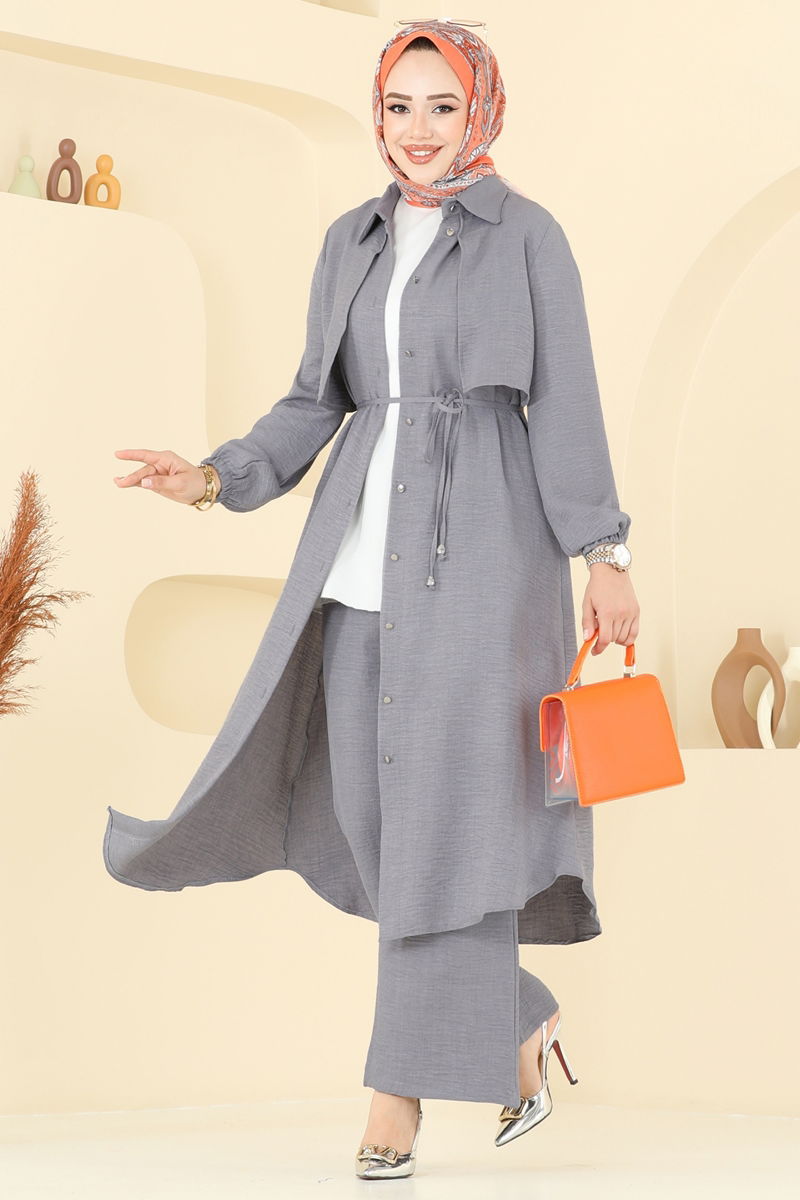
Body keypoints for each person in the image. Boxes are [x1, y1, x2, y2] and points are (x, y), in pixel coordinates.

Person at [110, 18, 639, 1180]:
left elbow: (566, 399)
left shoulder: (526, 236)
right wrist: (215, 477)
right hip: (354, 565)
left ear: (479, 112)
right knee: (377, 817)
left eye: (442, 106)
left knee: (448, 821)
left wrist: (601, 549)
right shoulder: (349, 240)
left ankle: (392, 1098)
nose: (416, 129)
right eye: (398, 106)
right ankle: (515, 1017)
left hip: (487, 566)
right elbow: (314, 402)